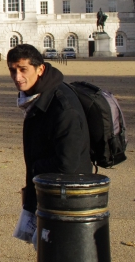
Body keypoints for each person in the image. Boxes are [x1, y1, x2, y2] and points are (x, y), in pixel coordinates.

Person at [6, 44, 91, 243]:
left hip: (66, 196)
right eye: (13, 70)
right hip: (52, 190)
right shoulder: (40, 96)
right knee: (48, 257)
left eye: (23, 69)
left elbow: (67, 163)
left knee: (61, 257)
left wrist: (36, 168)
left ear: (40, 69)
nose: (17, 77)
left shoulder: (62, 107)